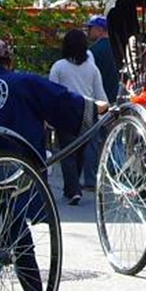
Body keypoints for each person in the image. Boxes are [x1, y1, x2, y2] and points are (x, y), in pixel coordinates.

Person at [0, 38, 107, 291]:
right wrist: (96, 107)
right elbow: (62, 102)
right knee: (7, 239)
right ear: (8, 62)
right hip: (17, 172)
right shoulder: (23, 82)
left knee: (14, 238)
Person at [49, 29, 108, 205]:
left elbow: (52, 92)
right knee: (81, 151)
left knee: (67, 152)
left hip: (66, 110)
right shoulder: (92, 68)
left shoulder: (59, 66)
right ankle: (71, 189)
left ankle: (73, 190)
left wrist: (48, 116)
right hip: (88, 111)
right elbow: (101, 95)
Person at [85, 15, 118, 191]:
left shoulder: (92, 52)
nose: (88, 32)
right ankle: (118, 176)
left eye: (90, 28)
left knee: (94, 141)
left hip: (99, 101)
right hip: (118, 99)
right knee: (116, 138)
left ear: (99, 29)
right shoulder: (118, 48)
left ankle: (92, 179)